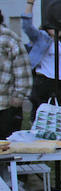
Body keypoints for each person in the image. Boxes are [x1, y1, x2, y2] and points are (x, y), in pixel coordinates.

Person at [22, 0, 61, 137]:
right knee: (40, 117)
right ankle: (34, 145)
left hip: (60, 83)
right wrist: (30, 4)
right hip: (44, 82)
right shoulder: (42, 38)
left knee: (57, 119)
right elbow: (27, 27)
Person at [0, 9, 31, 139]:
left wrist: (19, 95)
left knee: (6, 149)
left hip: (5, 104)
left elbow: (22, 67)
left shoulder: (9, 37)